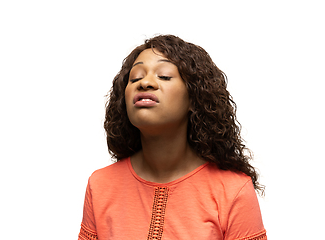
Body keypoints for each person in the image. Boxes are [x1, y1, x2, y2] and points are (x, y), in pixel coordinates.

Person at [78, 35, 266, 240]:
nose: (145, 83)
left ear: (195, 98)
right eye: (135, 78)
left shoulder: (234, 191)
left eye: (164, 76)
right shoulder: (100, 185)